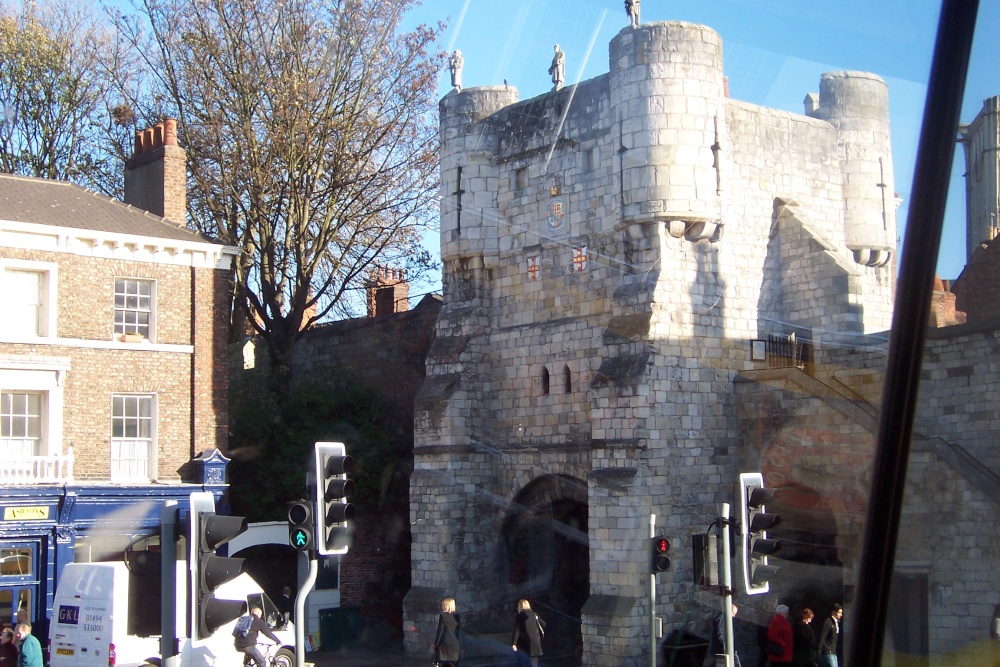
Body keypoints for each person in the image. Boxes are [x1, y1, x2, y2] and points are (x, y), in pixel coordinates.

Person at [511, 598, 546, 667]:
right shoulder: (534, 614)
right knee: (534, 663)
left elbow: (517, 630)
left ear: (520, 606)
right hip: (535, 642)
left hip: (524, 643)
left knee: (523, 662)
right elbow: (544, 624)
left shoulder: (519, 616)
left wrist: (514, 644)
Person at [434, 597, 460, 667]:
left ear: (446, 606)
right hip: (455, 644)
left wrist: (436, 644)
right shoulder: (457, 616)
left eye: (442, 605)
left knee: (445, 664)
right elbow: (458, 631)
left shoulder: (443, 616)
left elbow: (440, 631)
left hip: (445, 645)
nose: (441, 606)